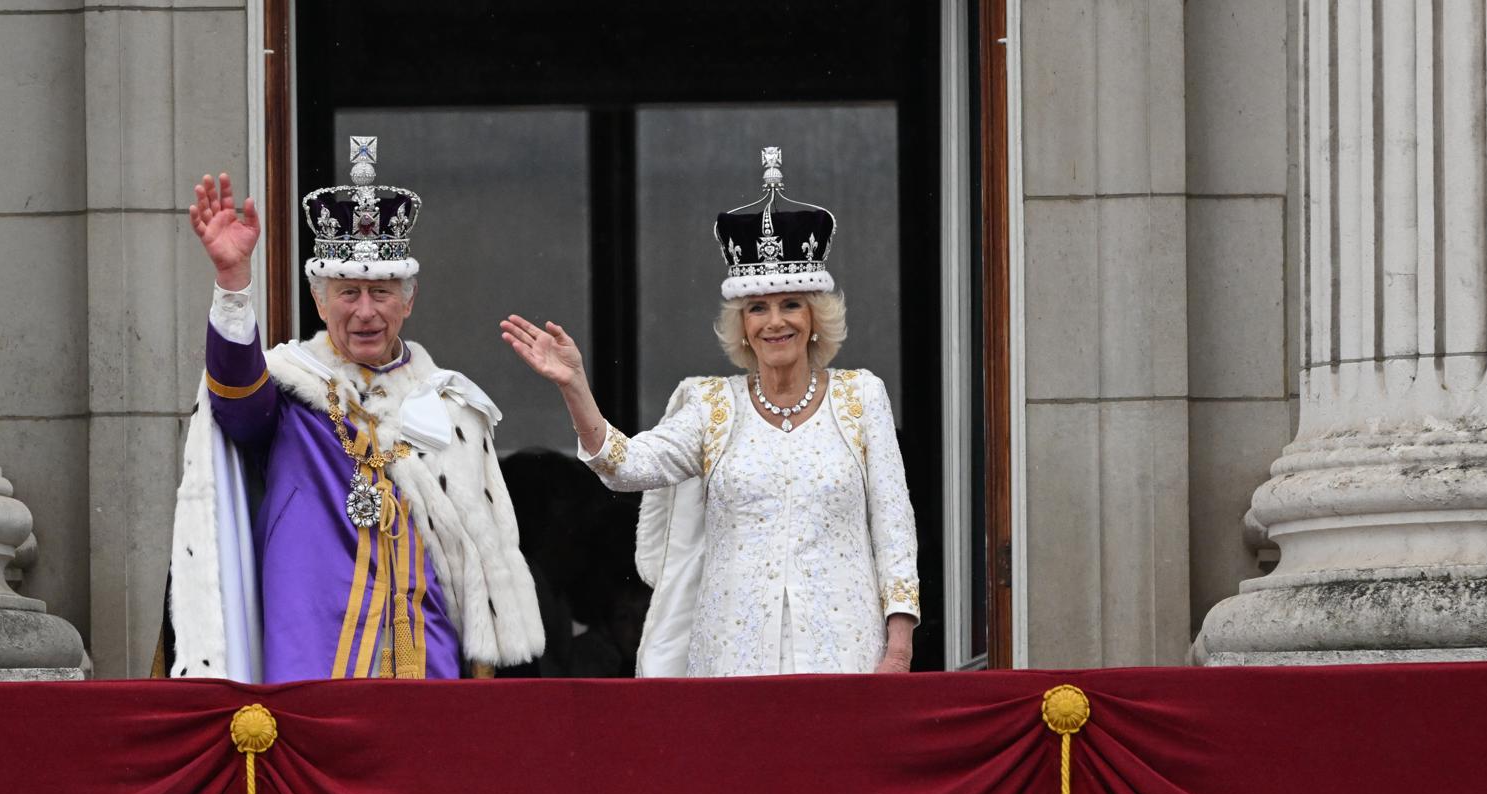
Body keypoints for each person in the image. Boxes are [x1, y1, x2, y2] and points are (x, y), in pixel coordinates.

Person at [501, 147, 918, 677]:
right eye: (758, 309)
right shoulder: (711, 406)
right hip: (731, 658)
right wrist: (575, 385)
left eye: (791, 304)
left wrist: (897, 650)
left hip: (846, 653)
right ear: (742, 325)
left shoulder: (861, 397)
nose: (775, 322)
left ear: (815, 317)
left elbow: (894, 529)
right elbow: (626, 466)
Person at [159, 136, 544, 682]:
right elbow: (236, 397)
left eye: (382, 292)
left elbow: (478, 569)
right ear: (319, 300)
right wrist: (232, 284)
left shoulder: (453, 408)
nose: (366, 311)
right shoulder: (292, 391)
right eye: (348, 292)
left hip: (426, 665)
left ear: (408, 301)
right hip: (311, 664)